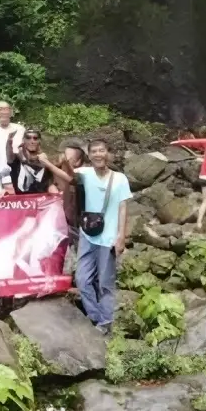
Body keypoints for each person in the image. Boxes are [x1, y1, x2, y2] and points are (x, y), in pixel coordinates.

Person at [74, 139, 131, 333]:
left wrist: (121, 236)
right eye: (94, 152)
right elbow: (63, 176)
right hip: (88, 235)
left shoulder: (120, 178)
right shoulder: (84, 174)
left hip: (109, 238)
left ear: (108, 153)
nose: (98, 154)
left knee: (106, 282)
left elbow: (123, 208)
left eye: (102, 151)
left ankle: (106, 321)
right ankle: (96, 316)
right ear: (89, 156)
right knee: (82, 279)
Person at [7, 129, 58, 194]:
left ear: (39, 141)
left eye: (35, 138)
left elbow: (50, 182)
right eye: (28, 138)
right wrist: (9, 141)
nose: (32, 141)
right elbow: (9, 157)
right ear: (23, 140)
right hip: (22, 201)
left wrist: (52, 187)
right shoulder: (17, 158)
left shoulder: (45, 159)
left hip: (42, 201)